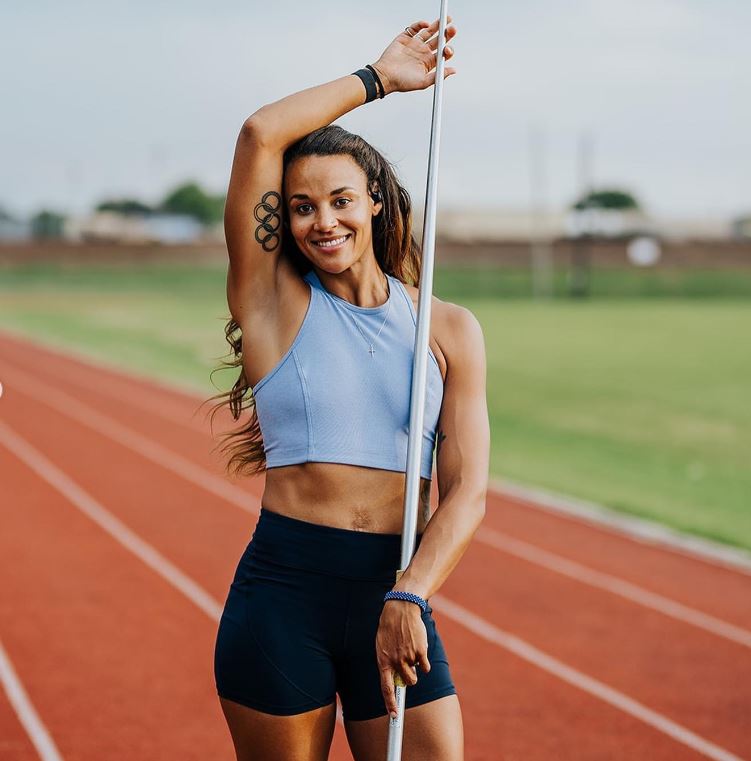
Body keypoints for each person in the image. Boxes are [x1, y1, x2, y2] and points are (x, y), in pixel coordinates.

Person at [210, 16, 489, 761]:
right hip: (281, 600)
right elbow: (259, 134)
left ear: (374, 201)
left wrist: (410, 594)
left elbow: (465, 491)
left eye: (338, 199)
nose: (320, 220)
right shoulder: (273, 306)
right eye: (300, 206)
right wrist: (377, 79)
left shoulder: (448, 328)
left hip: (394, 593)